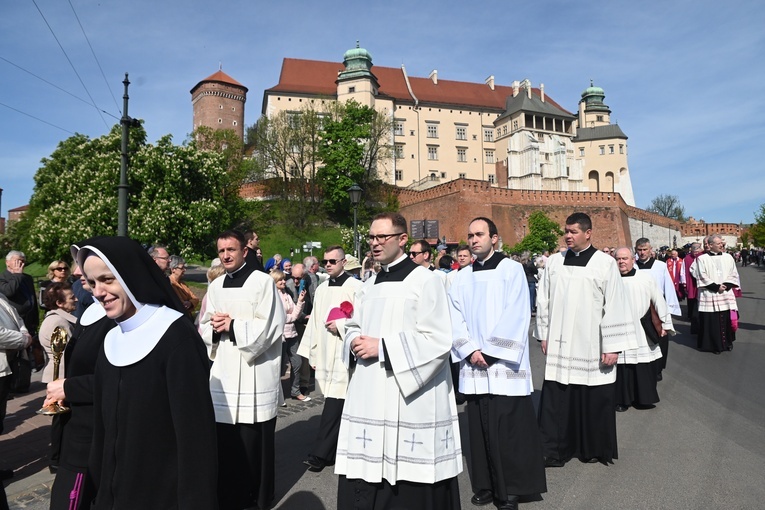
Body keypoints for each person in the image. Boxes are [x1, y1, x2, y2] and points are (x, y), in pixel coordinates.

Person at [74, 236, 217, 509]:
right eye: (92, 283)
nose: (99, 292)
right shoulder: (111, 339)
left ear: (128, 274)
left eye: (107, 279)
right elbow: (103, 435)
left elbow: (196, 443)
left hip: (161, 498)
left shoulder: (176, 337)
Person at [335, 212, 462, 509]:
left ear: (402, 239)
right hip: (370, 390)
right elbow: (354, 323)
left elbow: (439, 339)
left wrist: (385, 348)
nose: (375, 243)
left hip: (407, 395)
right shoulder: (369, 283)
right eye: (371, 237)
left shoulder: (426, 281)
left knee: (407, 481)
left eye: (382, 237)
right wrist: (352, 339)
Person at [449, 217, 546, 510]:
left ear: (494, 238)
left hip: (504, 365)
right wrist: (469, 350)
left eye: (479, 234)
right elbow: (454, 318)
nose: (473, 239)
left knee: (509, 430)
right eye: (470, 235)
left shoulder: (511, 270)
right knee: (478, 430)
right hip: (473, 363)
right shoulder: (461, 277)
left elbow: (517, 312)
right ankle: (485, 485)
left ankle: (512, 489)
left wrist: (490, 353)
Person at [535, 212, 637, 467]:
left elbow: (615, 304)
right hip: (559, 340)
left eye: (573, 231)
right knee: (559, 398)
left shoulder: (604, 263)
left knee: (592, 396)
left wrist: (613, 346)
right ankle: (555, 450)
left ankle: (592, 448)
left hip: (591, 341)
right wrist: (544, 334)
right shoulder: (554, 263)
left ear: (588, 233)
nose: (568, 236)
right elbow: (543, 300)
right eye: (566, 231)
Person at [200, 230, 285, 510]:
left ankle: (257, 495)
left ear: (244, 251)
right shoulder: (216, 286)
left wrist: (233, 325)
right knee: (225, 440)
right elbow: (203, 324)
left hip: (254, 372)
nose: (225, 255)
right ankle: (229, 493)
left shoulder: (262, 283)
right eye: (221, 250)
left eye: (231, 250)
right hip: (224, 369)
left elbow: (271, 325)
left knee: (253, 439)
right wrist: (214, 326)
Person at [45, 248, 114, 510]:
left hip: (93, 434)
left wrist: (69, 387)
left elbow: (118, 380)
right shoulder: (90, 312)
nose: (74, 272)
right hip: (76, 427)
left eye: (81, 267)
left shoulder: (116, 317)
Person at [297, 246, 362, 473]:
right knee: (336, 402)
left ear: (344, 262)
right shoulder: (323, 288)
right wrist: (312, 352)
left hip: (346, 353)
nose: (328, 265)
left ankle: (320, 454)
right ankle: (336, 450)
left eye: (333, 261)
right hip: (325, 351)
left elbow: (363, 320)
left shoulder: (357, 287)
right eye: (326, 261)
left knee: (335, 402)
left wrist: (342, 325)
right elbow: (315, 320)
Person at [614, 248, 674, 412]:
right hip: (618, 329)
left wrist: (665, 324)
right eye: (618, 259)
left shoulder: (645, 278)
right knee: (622, 367)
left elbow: (658, 300)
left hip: (640, 328)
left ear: (633, 260)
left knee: (642, 365)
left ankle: (643, 398)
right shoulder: (610, 279)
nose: (621, 262)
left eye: (625, 258)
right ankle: (622, 400)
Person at [0, 292, 33, 510]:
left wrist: (23, 332)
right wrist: (23, 340)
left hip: (6, 366)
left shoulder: (1, 296)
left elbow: (18, 318)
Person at [634, 237, 680, 381]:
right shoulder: (632, 266)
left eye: (645, 250)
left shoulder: (660, 266)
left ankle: (658, 368)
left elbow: (668, 287)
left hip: (656, 307)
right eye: (639, 250)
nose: (642, 253)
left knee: (660, 337)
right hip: (638, 307)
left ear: (650, 250)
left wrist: (669, 310)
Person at [692, 234, 740, 353]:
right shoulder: (702, 259)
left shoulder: (728, 257)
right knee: (711, 321)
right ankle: (714, 345)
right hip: (710, 293)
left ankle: (727, 343)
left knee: (726, 320)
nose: (721, 245)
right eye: (718, 243)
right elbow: (701, 275)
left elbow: (733, 273)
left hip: (725, 292)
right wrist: (715, 287)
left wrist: (726, 286)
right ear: (711, 245)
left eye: (721, 243)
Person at [271, 269, 309, 402]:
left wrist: (300, 301)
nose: (283, 281)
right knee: (279, 368)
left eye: (284, 279)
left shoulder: (286, 294)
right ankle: (276, 395)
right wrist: (291, 317)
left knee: (297, 363)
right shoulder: (273, 296)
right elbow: (279, 316)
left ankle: (295, 391)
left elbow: (295, 314)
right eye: (280, 280)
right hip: (280, 335)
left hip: (292, 333)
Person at [39, 283, 78, 384]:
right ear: (59, 303)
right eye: (72, 298)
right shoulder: (59, 322)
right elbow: (69, 354)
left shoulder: (55, 319)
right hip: (61, 377)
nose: (76, 300)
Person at [0, 250, 39, 335]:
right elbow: (8, 291)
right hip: (14, 324)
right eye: (17, 261)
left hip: (29, 323)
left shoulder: (27, 278)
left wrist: (35, 322)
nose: (21, 263)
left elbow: (32, 299)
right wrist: (17, 275)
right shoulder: (2, 277)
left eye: (23, 261)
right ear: (7, 262)